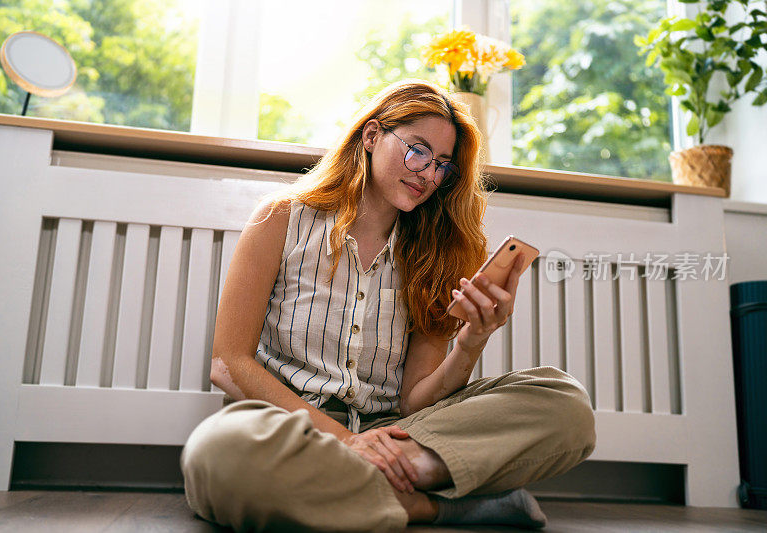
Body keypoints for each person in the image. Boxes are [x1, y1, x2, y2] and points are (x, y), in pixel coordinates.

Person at [180, 79, 596, 532]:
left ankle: (388, 479)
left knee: (566, 403)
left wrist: (472, 341)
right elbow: (228, 363)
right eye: (418, 150)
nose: (428, 174)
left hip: (402, 434)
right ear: (372, 135)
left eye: (442, 165)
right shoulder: (281, 218)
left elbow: (415, 401)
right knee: (216, 455)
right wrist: (346, 441)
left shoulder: (439, 252)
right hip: (289, 428)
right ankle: (433, 506)